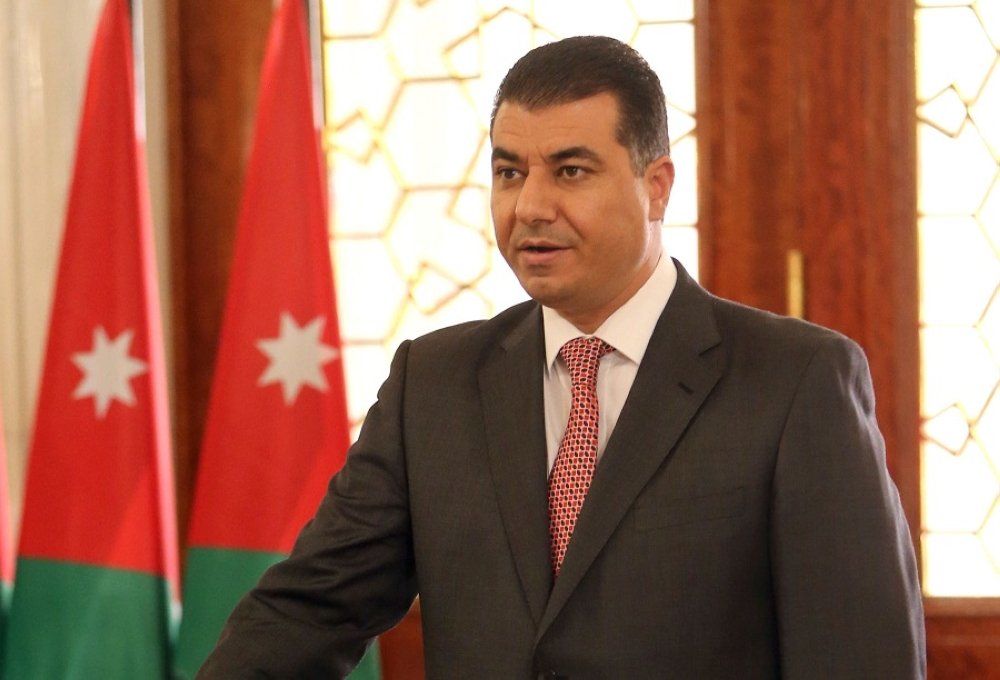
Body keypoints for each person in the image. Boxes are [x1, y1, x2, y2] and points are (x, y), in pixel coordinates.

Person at [198, 36, 925, 679]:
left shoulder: (796, 383)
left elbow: (861, 660)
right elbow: (308, 613)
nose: (530, 207)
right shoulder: (433, 386)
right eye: (509, 172)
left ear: (656, 187)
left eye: (570, 171)